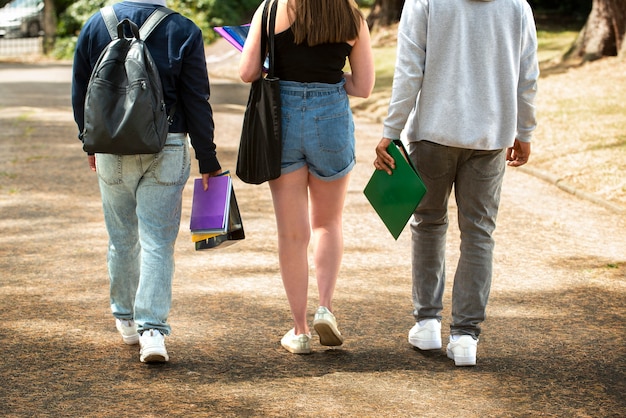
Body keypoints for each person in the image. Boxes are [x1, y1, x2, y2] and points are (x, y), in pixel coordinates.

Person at [374, 0, 539, 366]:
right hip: (491, 137)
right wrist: (524, 130)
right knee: (479, 233)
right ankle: (465, 336)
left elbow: (408, 70)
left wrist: (391, 130)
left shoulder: (426, 1)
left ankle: (428, 322)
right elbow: (527, 74)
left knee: (429, 224)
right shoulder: (517, 6)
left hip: (434, 133)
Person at [71, 0, 221, 363]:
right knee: (157, 240)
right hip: (167, 144)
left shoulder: (95, 24)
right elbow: (196, 98)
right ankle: (151, 330)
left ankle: (124, 317)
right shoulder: (183, 29)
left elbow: (81, 90)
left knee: (121, 238)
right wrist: (207, 157)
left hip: (110, 146)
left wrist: (88, 140)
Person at [239, 0, 374, 354]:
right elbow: (363, 86)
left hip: (280, 118)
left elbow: (247, 71)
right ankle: (325, 308)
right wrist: (326, 79)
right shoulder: (351, 15)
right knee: (328, 223)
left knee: (292, 232)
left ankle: (299, 331)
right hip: (330, 114)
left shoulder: (270, 10)